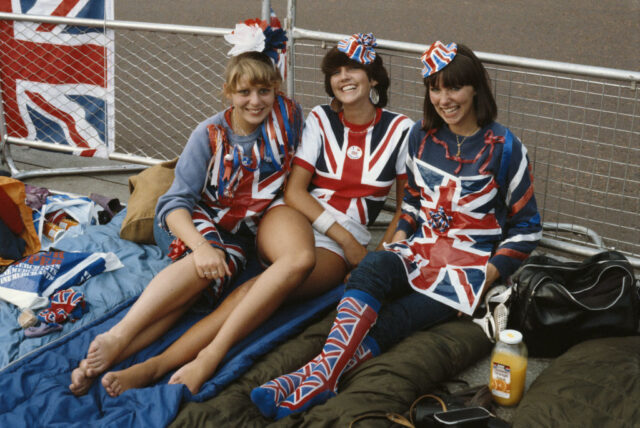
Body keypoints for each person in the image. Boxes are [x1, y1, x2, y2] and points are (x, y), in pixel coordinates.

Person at [71, 31, 413, 397]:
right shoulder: (309, 119)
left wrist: (378, 259)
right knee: (289, 262)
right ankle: (187, 351)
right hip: (284, 216)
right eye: (337, 71)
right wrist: (202, 246)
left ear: (374, 77)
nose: (344, 77)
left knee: (258, 289)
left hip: (326, 237)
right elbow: (292, 191)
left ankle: (152, 364)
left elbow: (407, 207)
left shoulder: (397, 129)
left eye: (355, 69)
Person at [251, 41, 542, 420]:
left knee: (397, 320)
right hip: (420, 250)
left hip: (466, 270)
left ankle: (315, 376)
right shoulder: (422, 137)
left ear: (475, 89)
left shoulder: (505, 147)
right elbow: (411, 208)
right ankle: (322, 375)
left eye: (453, 87)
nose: (444, 98)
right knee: (373, 268)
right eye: (435, 88)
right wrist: (396, 248)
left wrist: (486, 277)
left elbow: (527, 227)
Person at [69, 18, 304, 396]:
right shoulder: (210, 134)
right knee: (202, 266)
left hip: (237, 232)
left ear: (276, 89)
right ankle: (118, 334)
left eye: (264, 90)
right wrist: (200, 245)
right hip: (189, 219)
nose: (255, 101)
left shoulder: (289, 118)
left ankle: (114, 354)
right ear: (227, 92)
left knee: (197, 288)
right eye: (244, 92)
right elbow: (175, 202)